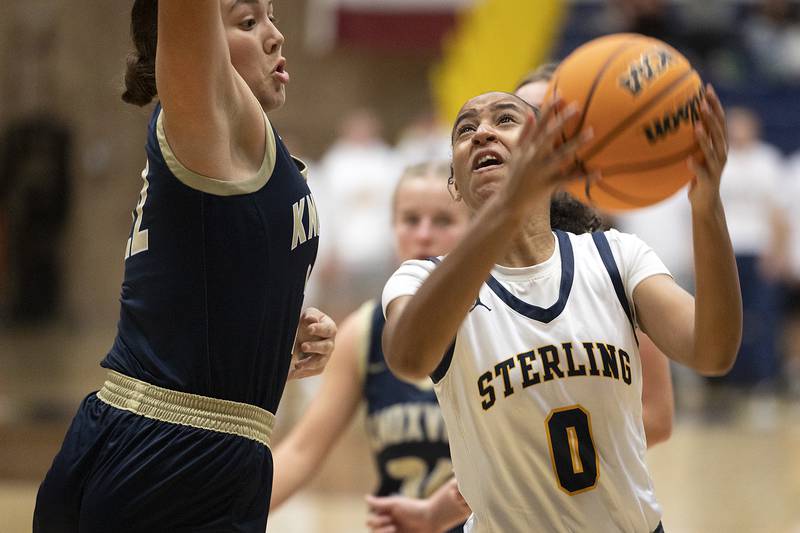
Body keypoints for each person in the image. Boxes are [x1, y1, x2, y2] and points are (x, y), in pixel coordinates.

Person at [381, 85, 741, 532]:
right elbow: (408, 357)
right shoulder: (421, 279)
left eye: (505, 119)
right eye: (466, 130)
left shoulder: (615, 257)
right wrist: (507, 209)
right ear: (455, 183)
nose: (483, 133)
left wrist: (707, 207)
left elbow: (712, 351)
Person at [33, 1, 336, 531]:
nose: (275, 36)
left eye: (273, 16)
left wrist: (268, 344)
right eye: (247, 22)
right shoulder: (208, 114)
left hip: (173, 449)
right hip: (168, 460)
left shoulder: (235, 149)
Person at [271, 161, 472, 533]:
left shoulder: (501, 318)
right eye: (410, 220)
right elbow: (302, 451)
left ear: (476, 229)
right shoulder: (364, 331)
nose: (423, 235)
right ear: (392, 229)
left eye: (443, 221)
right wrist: (219, 514)